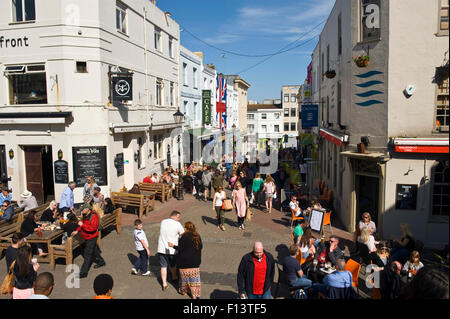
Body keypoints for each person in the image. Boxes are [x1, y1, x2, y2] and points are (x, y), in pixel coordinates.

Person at [168, 221, 203, 299]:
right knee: (194, 281)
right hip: (195, 263)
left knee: (184, 279)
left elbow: (181, 249)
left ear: (186, 228)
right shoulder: (197, 236)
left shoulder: (184, 237)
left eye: (184, 227)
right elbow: (200, 247)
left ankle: (183, 291)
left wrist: (173, 246)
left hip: (184, 263)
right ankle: (195, 295)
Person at [73, 203, 106, 279]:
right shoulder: (84, 215)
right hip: (87, 237)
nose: (82, 211)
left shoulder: (94, 216)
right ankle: (101, 262)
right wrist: (77, 230)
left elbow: (93, 228)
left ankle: (83, 273)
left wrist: (82, 225)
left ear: (87, 209)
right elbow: (82, 224)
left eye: (83, 210)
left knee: (87, 255)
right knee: (94, 250)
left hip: (92, 237)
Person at [157, 211, 185, 291]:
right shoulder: (177, 224)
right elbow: (183, 234)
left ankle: (164, 284)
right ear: (175, 216)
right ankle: (174, 277)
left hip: (161, 248)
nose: (179, 219)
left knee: (163, 266)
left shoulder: (163, 221)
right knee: (173, 265)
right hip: (172, 249)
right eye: (178, 217)